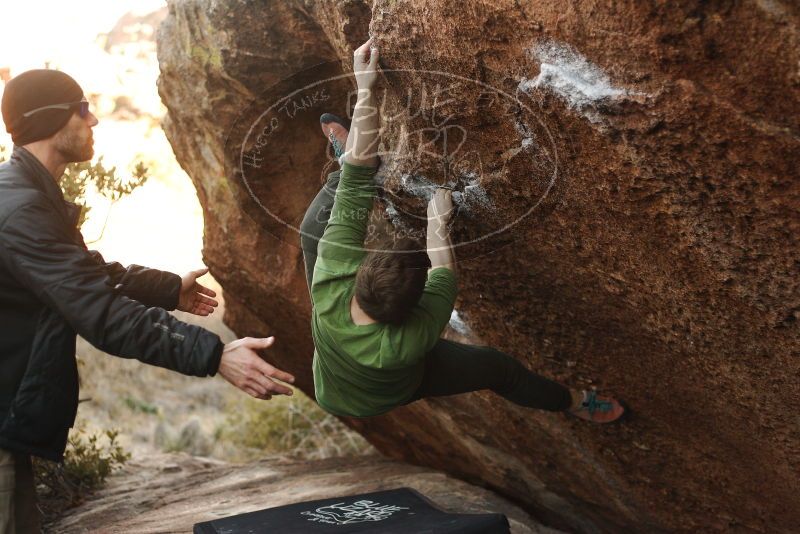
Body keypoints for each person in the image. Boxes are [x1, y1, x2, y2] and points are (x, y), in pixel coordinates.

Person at [0, 69, 296, 533]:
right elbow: (101, 314)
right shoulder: (20, 209)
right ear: (52, 121)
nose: (93, 120)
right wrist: (215, 355)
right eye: (82, 109)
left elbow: (82, 273)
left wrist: (165, 288)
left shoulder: (24, 193)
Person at [301, 39, 625, 423]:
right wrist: (438, 220)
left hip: (331, 380)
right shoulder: (410, 341)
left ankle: (350, 154)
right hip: (391, 390)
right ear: (416, 308)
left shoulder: (329, 284)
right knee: (496, 368)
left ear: (357, 277)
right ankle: (574, 402)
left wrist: (366, 86)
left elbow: (361, 182)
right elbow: (443, 267)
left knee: (313, 229)